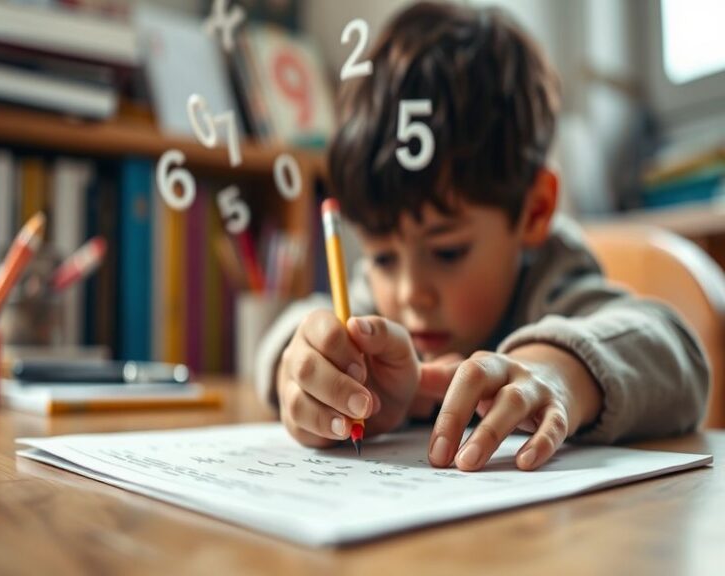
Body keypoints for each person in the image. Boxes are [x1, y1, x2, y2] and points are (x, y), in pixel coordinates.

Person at [255, 1, 709, 471]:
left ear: (533, 211)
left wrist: (558, 371)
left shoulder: (552, 278)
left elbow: (677, 350)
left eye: (448, 251)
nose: (411, 292)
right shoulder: (378, 311)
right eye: (384, 257)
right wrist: (308, 362)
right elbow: (292, 328)